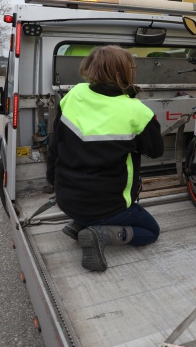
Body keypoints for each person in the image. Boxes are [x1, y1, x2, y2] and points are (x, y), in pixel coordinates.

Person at [46, 45, 164, 272]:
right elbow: (155, 150)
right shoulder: (137, 111)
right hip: (111, 207)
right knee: (151, 232)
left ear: (91, 67)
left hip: (66, 199)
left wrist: (54, 182)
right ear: (126, 71)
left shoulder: (73, 96)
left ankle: (80, 224)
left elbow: (54, 146)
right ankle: (100, 233)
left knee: (90, 207)